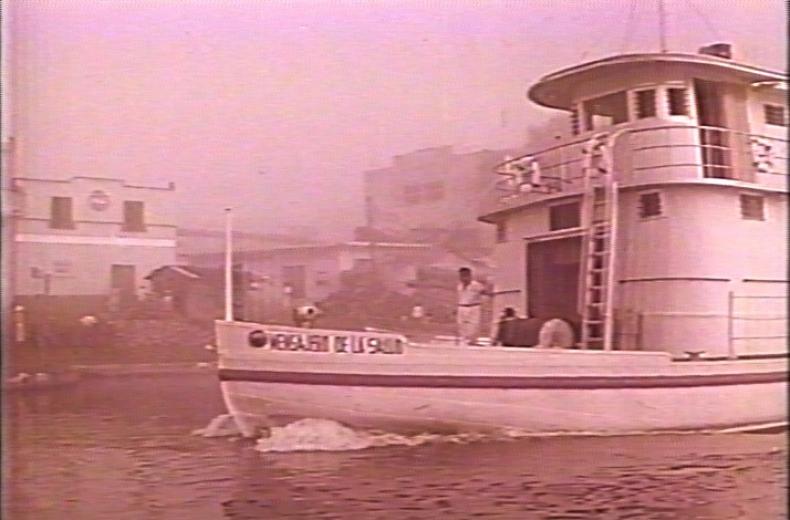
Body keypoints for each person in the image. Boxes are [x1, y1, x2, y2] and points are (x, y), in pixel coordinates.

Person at [456, 267, 489, 345]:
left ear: (469, 275)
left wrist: (483, 302)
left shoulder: (476, 285)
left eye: (465, 275)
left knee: (473, 326)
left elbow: (485, 292)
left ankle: (472, 341)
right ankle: (463, 341)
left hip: (473, 306)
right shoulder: (459, 286)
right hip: (462, 307)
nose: (463, 278)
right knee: (462, 325)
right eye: (461, 276)